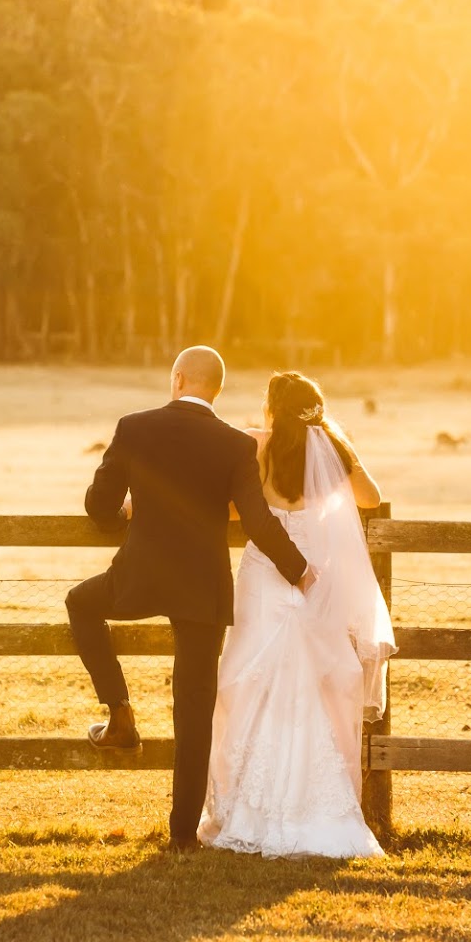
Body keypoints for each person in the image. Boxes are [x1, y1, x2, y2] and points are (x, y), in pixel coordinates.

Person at [66, 346, 316, 853]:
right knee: (195, 705)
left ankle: (119, 713)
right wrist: (300, 569)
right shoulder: (233, 445)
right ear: (216, 390)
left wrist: (124, 515)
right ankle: (182, 834)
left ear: (178, 379)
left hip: (140, 575)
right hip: (202, 586)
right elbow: (256, 521)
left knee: (81, 603)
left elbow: (98, 505)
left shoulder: (134, 427)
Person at [198, 370, 395, 859]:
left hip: (266, 574)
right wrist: (336, 444)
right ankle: (315, 807)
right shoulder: (330, 450)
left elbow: (235, 509)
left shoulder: (258, 449)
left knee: (249, 681)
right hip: (315, 581)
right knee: (313, 685)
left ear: (273, 408)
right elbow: (370, 497)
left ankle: (247, 808)